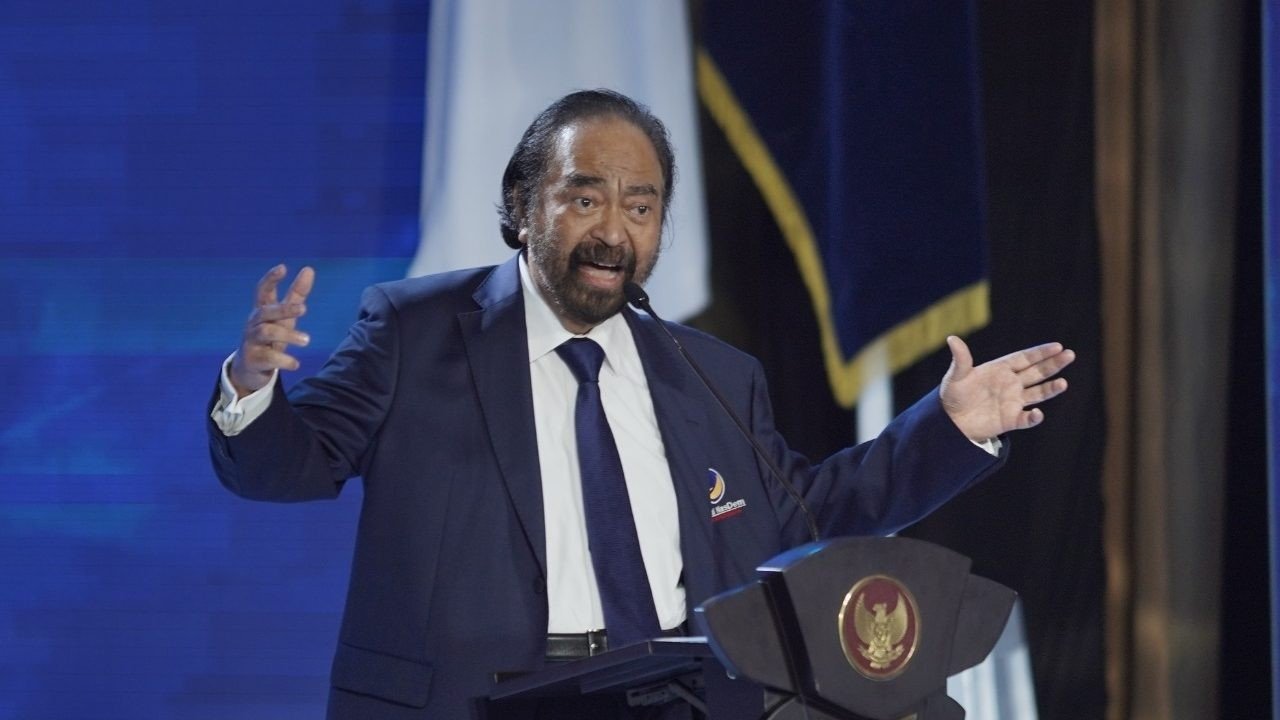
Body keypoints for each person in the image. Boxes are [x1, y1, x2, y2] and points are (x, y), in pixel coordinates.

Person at [207, 89, 1073, 719]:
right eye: (585, 198)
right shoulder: (415, 329)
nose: (613, 231)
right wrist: (252, 387)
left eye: (641, 206)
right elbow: (291, 464)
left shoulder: (711, 373)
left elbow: (810, 511)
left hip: (672, 703)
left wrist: (947, 429)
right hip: (469, 705)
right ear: (522, 207)